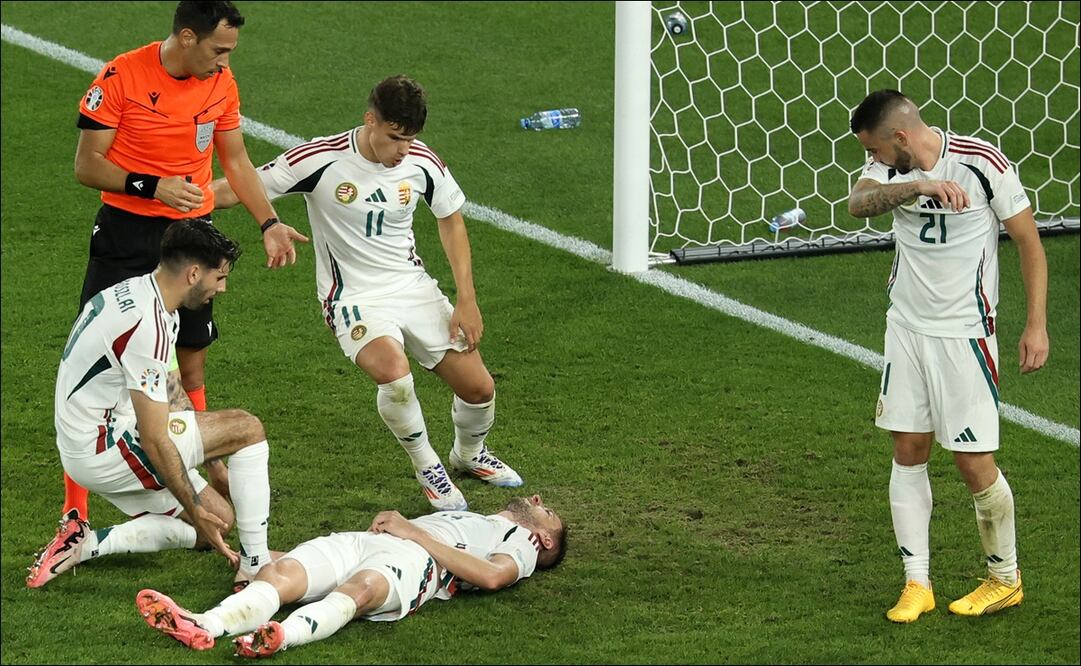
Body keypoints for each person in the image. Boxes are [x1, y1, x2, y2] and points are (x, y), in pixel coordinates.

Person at [212, 75, 521, 511]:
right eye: (395, 138)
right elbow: (238, 188)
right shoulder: (320, 159)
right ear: (370, 121)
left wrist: (466, 299)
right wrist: (179, 194)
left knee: (479, 390)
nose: (402, 152)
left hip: (412, 287)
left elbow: (450, 220)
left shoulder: (421, 162)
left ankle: (468, 455)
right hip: (352, 298)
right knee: (394, 375)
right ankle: (427, 464)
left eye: (410, 141)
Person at [65, 0, 308, 522]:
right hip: (127, 230)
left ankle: (199, 463)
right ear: (187, 37)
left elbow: (236, 160)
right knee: (100, 356)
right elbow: (87, 164)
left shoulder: (221, 82)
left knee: (191, 354)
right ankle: (75, 511)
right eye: (219, 49)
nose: (225, 61)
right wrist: (151, 186)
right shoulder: (122, 75)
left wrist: (267, 223)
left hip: (193, 233)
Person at [847, 90, 1049, 622]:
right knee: (908, 448)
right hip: (906, 329)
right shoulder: (890, 169)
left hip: (965, 334)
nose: (878, 161)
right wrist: (918, 184)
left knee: (972, 459)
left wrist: (1035, 325)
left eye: (881, 151)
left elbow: (1029, 242)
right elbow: (856, 203)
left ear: (901, 136)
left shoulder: (982, 164)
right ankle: (918, 583)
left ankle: (1005, 578)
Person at [27, 220, 275, 589]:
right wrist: (193, 505)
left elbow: (172, 390)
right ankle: (256, 568)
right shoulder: (148, 324)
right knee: (246, 428)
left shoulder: (143, 293)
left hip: (89, 435)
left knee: (218, 522)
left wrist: (215, 464)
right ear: (193, 273)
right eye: (219, 277)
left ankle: (84, 545)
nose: (222, 289)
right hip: (105, 444)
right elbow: (155, 437)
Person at [136, 495, 567, 657]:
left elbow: (492, 576)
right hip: (367, 541)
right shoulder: (482, 520)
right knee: (281, 572)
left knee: (360, 591)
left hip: (419, 560)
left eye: (546, 511)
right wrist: (257, 554)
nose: (537, 499)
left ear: (545, 540)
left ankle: (281, 636)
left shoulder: (522, 545)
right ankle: (205, 624)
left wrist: (410, 530)